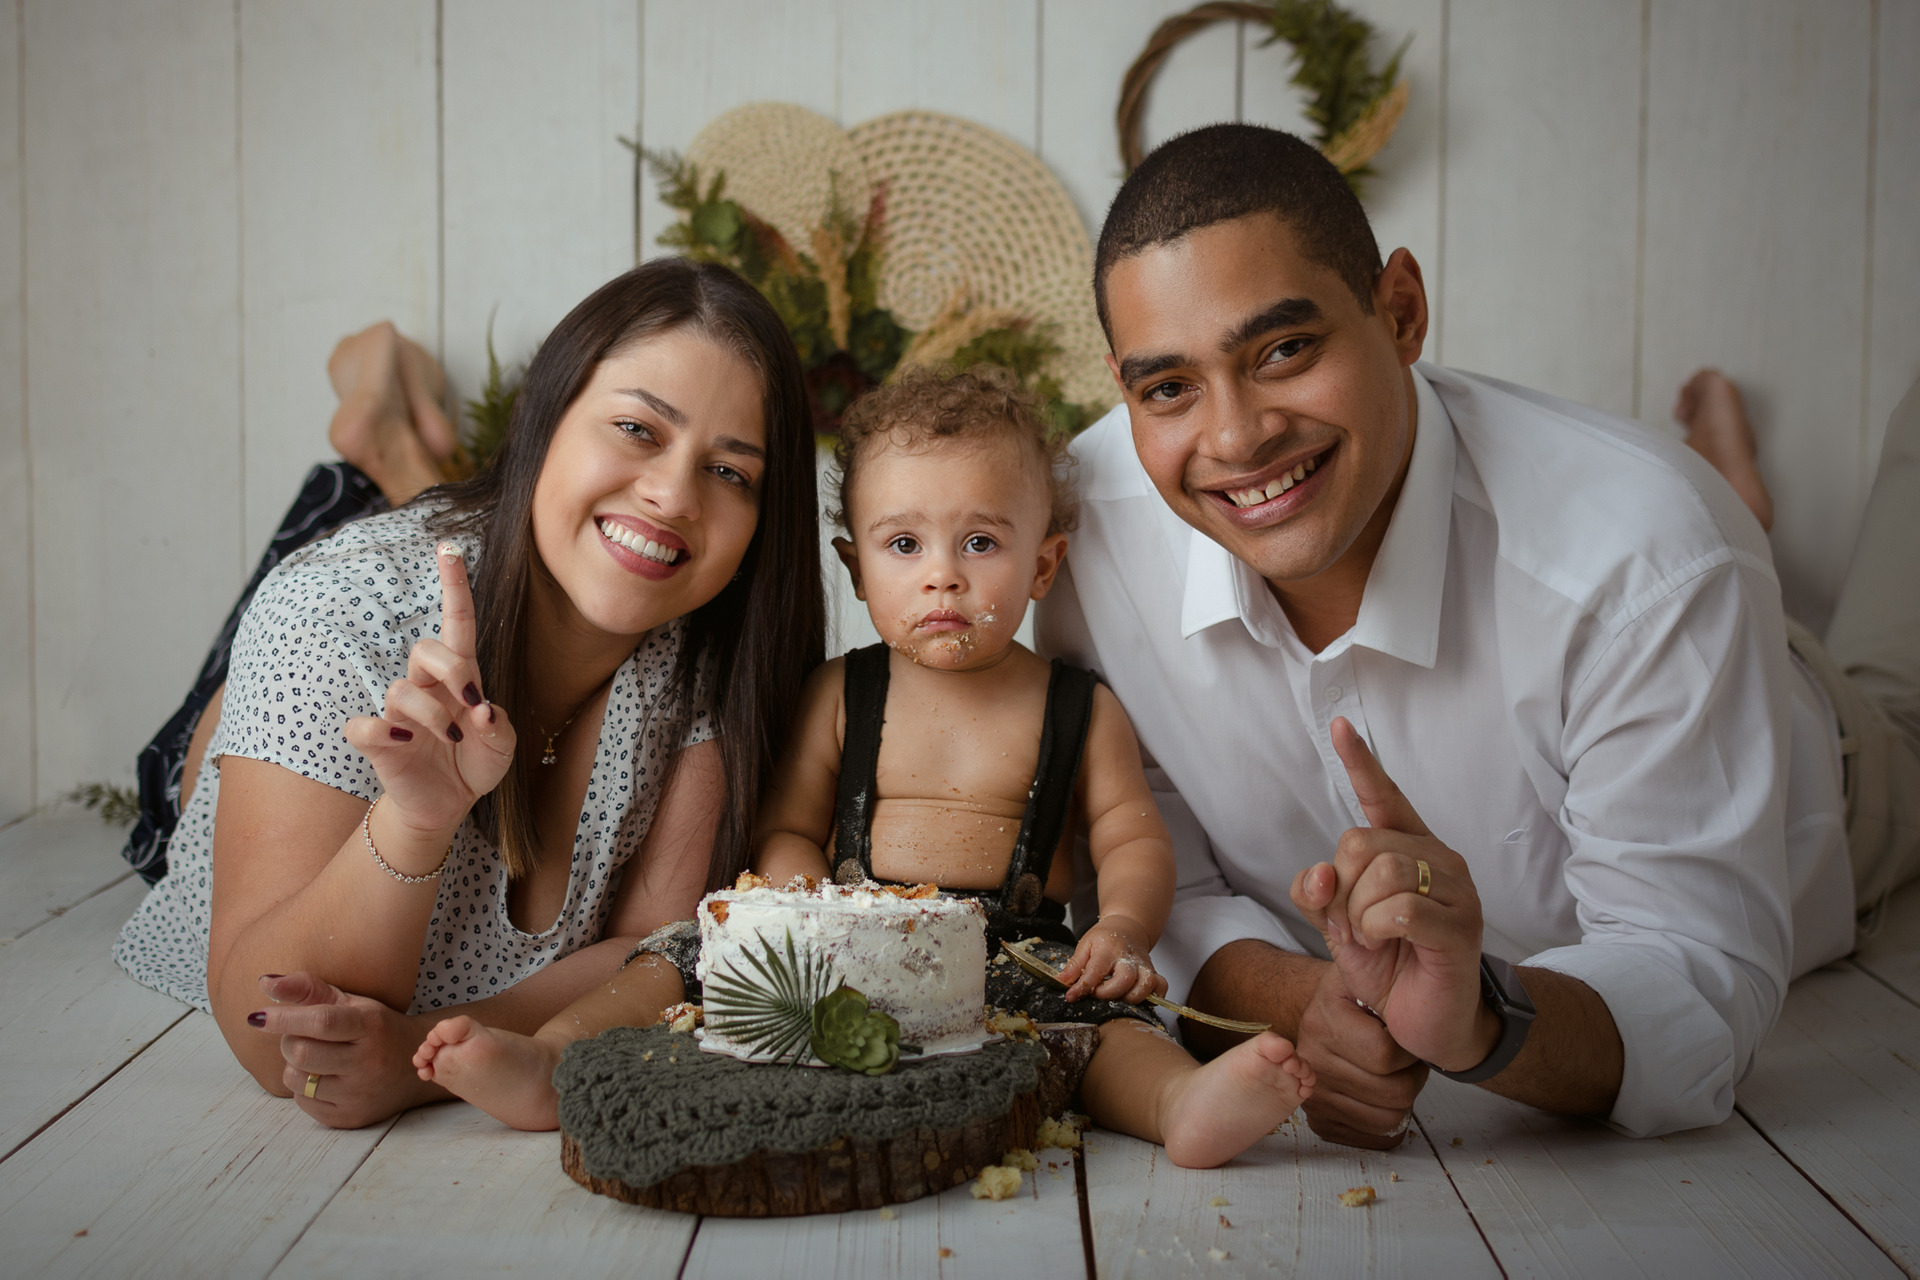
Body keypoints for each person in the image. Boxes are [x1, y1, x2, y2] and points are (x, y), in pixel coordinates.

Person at [1036, 123, 1920, 1145]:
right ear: (1123, 385)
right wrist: (1312, 1002)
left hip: (1843, 760)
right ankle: (1741, 486)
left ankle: (1753, 489)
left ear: (1400, 311)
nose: (1235, 438)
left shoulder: (1648, 564)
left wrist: (1484, 1021)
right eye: (1169, 387)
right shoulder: (1083, 534)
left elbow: (1699, 981)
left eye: (1285, 349)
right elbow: (1159, 879)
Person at [409, 368, 1316, 1168]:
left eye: (982, 544)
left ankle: (1177, 1104)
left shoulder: (1081, 706)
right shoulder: (843, 692)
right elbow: (791, 826)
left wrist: (1119, 929)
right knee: (679, 957)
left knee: (1104, 1028)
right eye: (905, 545)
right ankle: (554, 1056)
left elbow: (1132, 837)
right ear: (855, 567)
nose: (943, 579)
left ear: (1044, 565)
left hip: (1008, 949)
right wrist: (809, 913)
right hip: (834, 937)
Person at [113, 258, 826, 1129]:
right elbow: (278, 1046)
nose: (674, 493)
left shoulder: (709, 656)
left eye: (731, 473)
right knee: (360, 572)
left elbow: (659, 949)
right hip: (235, 745)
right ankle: (385, 441)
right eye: (638, 428)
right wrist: (415, 819)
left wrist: (419, 1057)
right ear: (543, 417)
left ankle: (413, 459)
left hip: (490, 550)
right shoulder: (334, 608)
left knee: (516, 540)